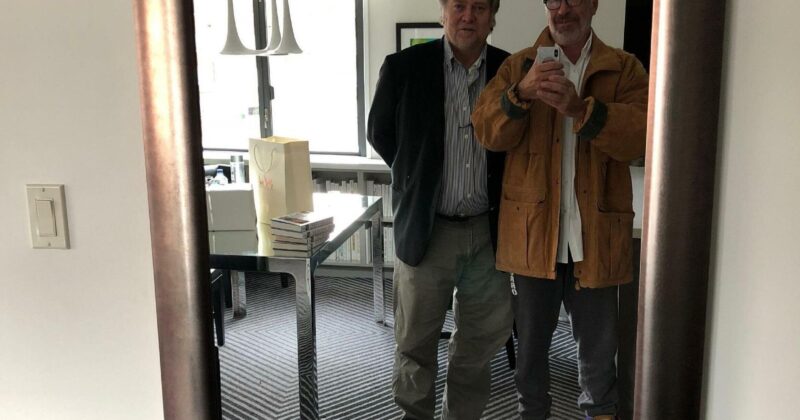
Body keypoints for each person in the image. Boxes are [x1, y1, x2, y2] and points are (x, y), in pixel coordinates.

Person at [471, 0, 648, 419]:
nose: (563, 9)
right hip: (533, 240)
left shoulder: (624, 69)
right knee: (530, 356)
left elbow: (642, 137)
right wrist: (520, 94)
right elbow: (486, 131)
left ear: (594, 4)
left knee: (600, 359)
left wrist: (582, 110)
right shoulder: (518, 67)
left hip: (596, 240)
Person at [367, 0, 513, 418]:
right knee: (414, 344)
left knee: (477, 346)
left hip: (489, 234)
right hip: (426, 231)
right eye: (459, 5)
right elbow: (380, 133)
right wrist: (417, 177)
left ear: (492, 16)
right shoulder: (404, 67)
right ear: (443, 12)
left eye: (479, 7)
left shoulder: (510, 70)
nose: (468, 16)